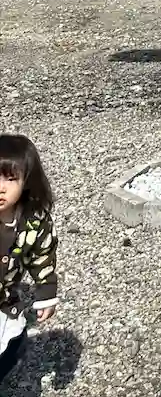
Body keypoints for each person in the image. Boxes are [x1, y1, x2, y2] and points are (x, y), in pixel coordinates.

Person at [0, 135, 58, 388]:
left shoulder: (34, 221)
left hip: (5, 302)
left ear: (26, 182)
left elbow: (42, 256)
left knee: (10, 348)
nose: (1, 187)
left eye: (10, 179)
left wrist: (46, 292)